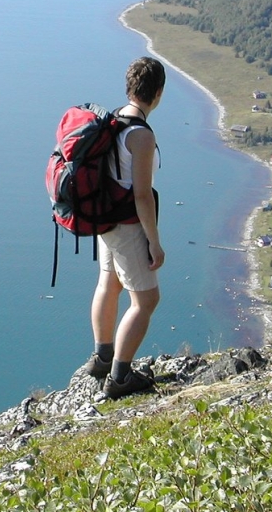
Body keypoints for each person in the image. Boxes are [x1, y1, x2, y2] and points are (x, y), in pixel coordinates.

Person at [82, 56, 165, 399]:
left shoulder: (112, 120)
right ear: (157, 93)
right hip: (128, 224)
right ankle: (119, 377)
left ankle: (102, 357)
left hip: (105, 219)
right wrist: (155, 243)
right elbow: (143, 196)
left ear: (129, 87)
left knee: (109, 283)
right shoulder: (141, 136)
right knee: (146, 300)